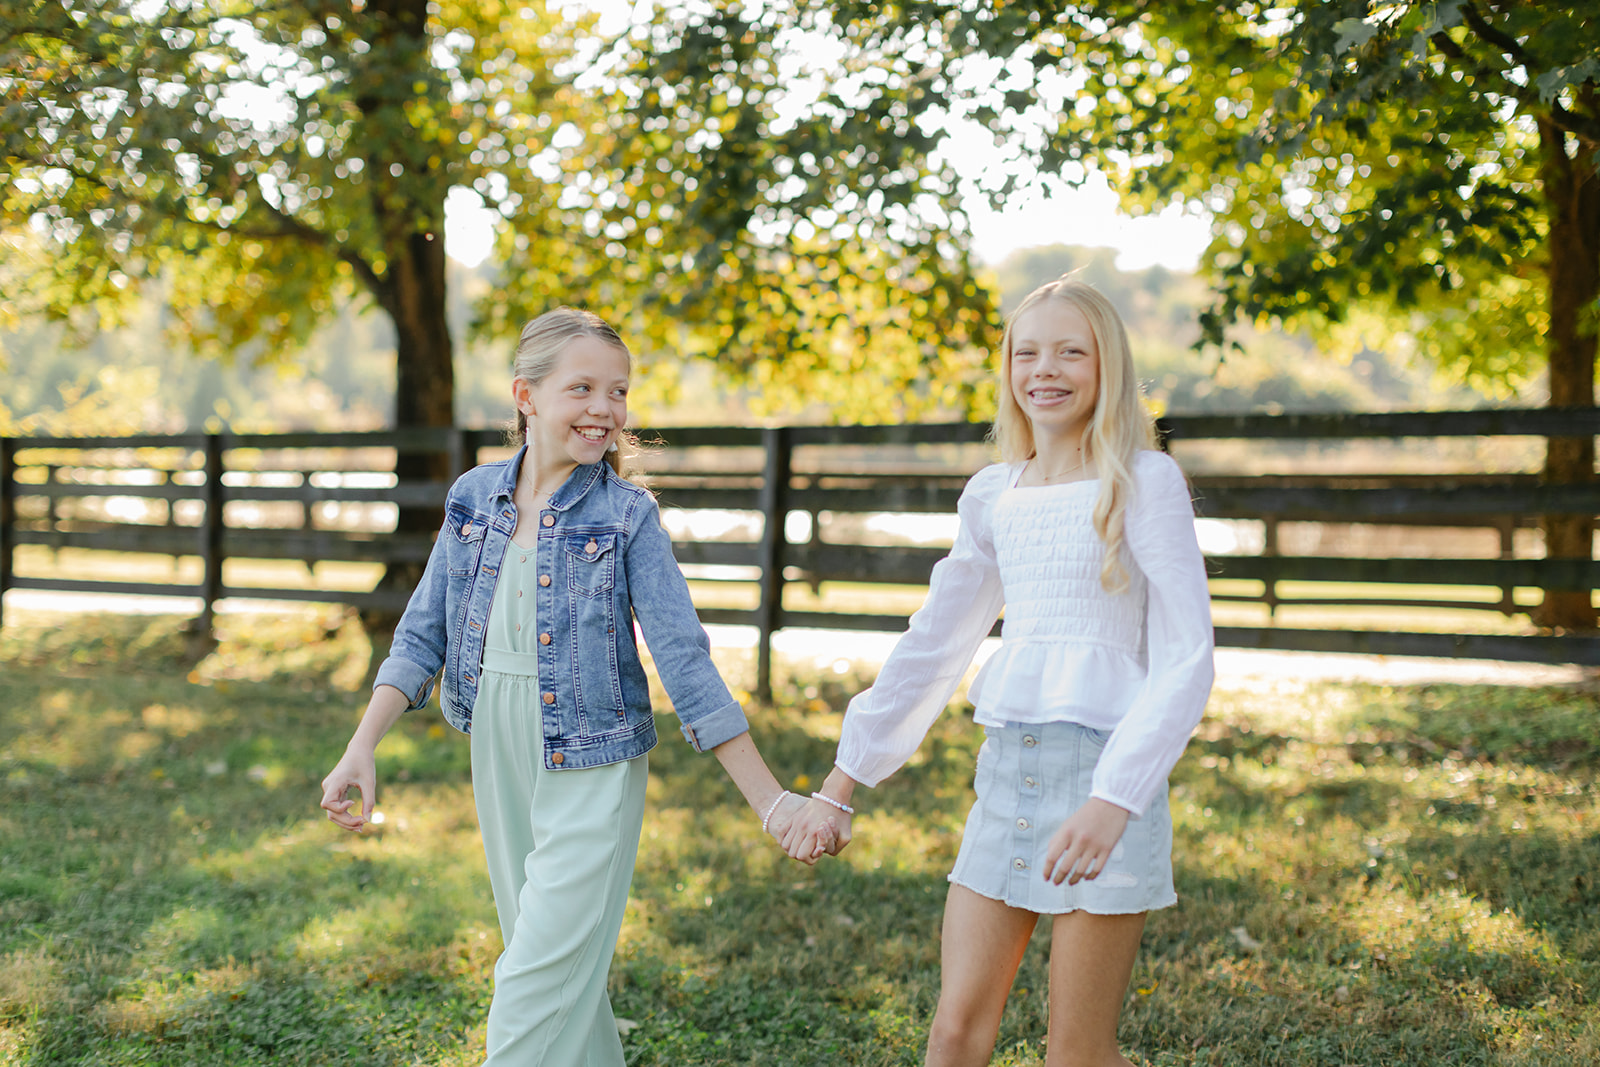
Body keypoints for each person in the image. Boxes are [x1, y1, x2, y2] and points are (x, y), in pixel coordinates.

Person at [319, 307, 823, 1066]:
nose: (605, 409)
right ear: (526, 395)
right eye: (583, 387)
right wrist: (362, 745)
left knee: (532, 979)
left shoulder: (627, 517)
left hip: (594, 759)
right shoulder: (472, 498)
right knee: (558, 967)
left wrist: (772, 801)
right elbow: (424, 632)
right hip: (498, 741)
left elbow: (685, 662)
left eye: (617, 392)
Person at [784, 276, 1214, 1067]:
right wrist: (840, 784)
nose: (1044, 369)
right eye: (1027, 352)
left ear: (1106, 366)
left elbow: (1189, 655)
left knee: (1075, 1056)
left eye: (1070, 351)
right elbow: (935, 642)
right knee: (952, 1038)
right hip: (1007, 775)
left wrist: (1114, 800)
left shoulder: (1145, 483)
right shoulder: (993, 495)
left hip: (1105, 783)